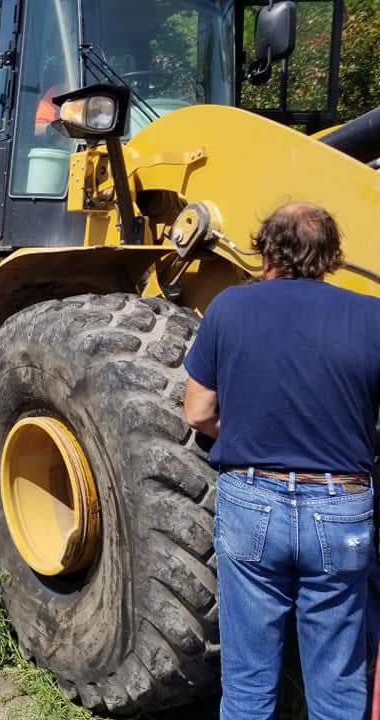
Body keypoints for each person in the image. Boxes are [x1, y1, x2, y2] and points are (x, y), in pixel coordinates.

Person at [183, 203, 380, 720]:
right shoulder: (371, 315)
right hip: (340, 506)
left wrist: (250, 432)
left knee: (248, 686)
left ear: (266, 249)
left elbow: (198, 411)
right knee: (338, 686)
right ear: (331, 256)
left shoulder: (229, 308)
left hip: (252, 500)